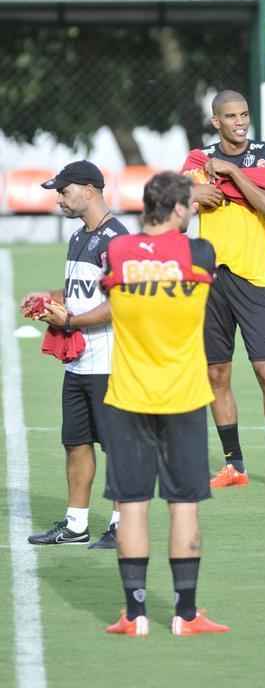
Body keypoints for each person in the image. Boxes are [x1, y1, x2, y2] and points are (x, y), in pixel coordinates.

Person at [102, 171, 229, 637]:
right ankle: (186, 614)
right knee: (184, 503)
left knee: (131, 502)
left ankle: (134, 615)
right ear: (177, 209)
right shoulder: (199, 254)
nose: (194, 211)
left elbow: (111, 294)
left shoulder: (117, 252)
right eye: (190, 205)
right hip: (183, 394)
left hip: (128, 394)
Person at [182, 89, 265, 492]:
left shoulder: (264, 155)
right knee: (217, 372)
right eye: (231, 116)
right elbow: (175, 204)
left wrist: (230, 172)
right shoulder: (199, 159)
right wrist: (194, 193)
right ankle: (234, 465)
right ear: (216, 121)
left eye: (244, 114)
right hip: (211, 279)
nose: (240, 122)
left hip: (253, 277)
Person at [25, 161, 127, 549]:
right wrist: (49, 302)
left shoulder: (117, 239)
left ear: (88, 189)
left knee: (116, 446)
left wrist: (72, 321)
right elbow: (81, 294)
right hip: (79, 363)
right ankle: (76, 524)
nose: (59, 200)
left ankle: (121, 524)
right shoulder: (77, 237)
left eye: (64, 192)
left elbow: (121, 303)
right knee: (75, 442)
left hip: (109, 363)